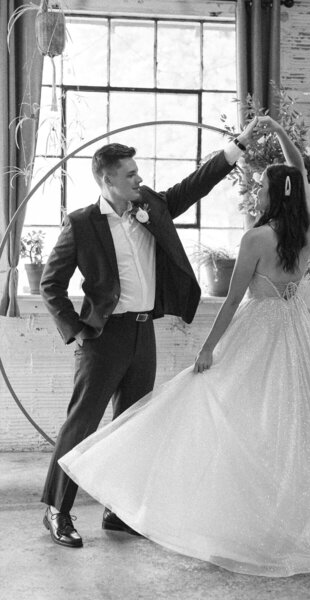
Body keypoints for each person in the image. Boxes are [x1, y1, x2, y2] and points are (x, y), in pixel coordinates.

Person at [59, 116, 310, 577]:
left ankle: (219, 503)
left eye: (260, 188)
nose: (255, 194)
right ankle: (271, 503)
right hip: (293, 332)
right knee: (285, 416)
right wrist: (279, 135)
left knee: (215, 404)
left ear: (272, 196)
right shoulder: (307, 228)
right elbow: (297, 173)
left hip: (255, 329)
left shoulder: (256, 237)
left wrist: (208, 349)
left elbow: (234, 300)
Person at [40, 118, 259, 548]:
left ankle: (117, 512)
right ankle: (57, 511)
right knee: (81, 425)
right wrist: (77, 331)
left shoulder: (151, 206)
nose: (139, 179)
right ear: (107, 179)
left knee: (133, 426)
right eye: (130, 174)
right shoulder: (82, 223)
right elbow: (51, 284)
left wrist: (236, 149)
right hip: (103, 338)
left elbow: (194, 185)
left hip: (145, 335)